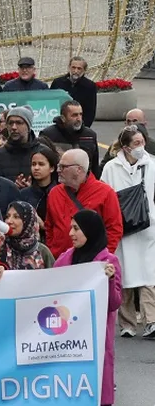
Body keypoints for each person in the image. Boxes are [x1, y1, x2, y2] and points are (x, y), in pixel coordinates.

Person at [53, 209, 121, 406]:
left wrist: (109, 281)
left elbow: (114, 303)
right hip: (67, 335)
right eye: (71, 228)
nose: (71, 234)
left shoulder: (108, 262)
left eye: (76, 228)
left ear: (90, 231)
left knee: (96, 388)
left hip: (95, 336)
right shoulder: (64, 260)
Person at [100, 125, 155, 338]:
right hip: (123, 227)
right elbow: (105, 195)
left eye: (142, 142)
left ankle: (151, 320)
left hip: (147, 227)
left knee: (149, 274)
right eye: (136, 143)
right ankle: (128, 323)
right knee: (125, 276)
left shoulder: (151, 165)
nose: (141, 147)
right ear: (125, 147)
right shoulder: (111, 168)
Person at [45, 148, 123, 258]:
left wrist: (103, 257)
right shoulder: (54, 193)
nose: (58, 170)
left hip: (91, 261)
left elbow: (114, 229)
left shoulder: (106, 193)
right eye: (59, 166)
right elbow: (49, 226)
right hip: (60, 260)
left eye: (63, 167)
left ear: (78, 169)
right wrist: (53, 251)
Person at [39, 100, 101, 178]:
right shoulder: (48, 135)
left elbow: (95, 166)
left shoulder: (90, 135)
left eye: (80, 114)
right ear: (63, 118)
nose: (79, 119)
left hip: (84, 182)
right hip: (57, 181)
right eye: (74, 115)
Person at [0, 105, 42, 183]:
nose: (14, 127)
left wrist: (33, 188)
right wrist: (12, 188)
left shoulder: (43, 152)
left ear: (28, 126)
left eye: (19, 123)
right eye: (10, 123)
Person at [0, 201, 54, 269]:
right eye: (7, 216)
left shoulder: (42, 251)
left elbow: (54, 274)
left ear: (28, 221)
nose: (9, 221)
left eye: (16, 217)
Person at [50, 56, 97, 128]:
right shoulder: (57, 83)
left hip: (79, 125)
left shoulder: (90, 86)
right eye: (73, 67)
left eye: (79, 68)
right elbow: (51, 104)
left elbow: (90, 111)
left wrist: (83, 128)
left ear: (84, 70)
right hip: (58, 124)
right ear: (69, 67)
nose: (76, 71)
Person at [18, 144, 59, 223]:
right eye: (33, 164)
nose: (36, 168)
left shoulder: (60, 193)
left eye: (41, 164)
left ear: (52, 168)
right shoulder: (24, 194)